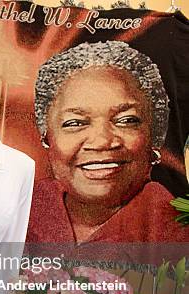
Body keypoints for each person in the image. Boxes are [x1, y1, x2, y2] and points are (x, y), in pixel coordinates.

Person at [28, 41, 189, 243]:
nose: (102, 141)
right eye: (75, 122)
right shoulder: (22, 208)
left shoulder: (176, 232)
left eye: (126, 120)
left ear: (154, 134)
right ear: (46, 136)